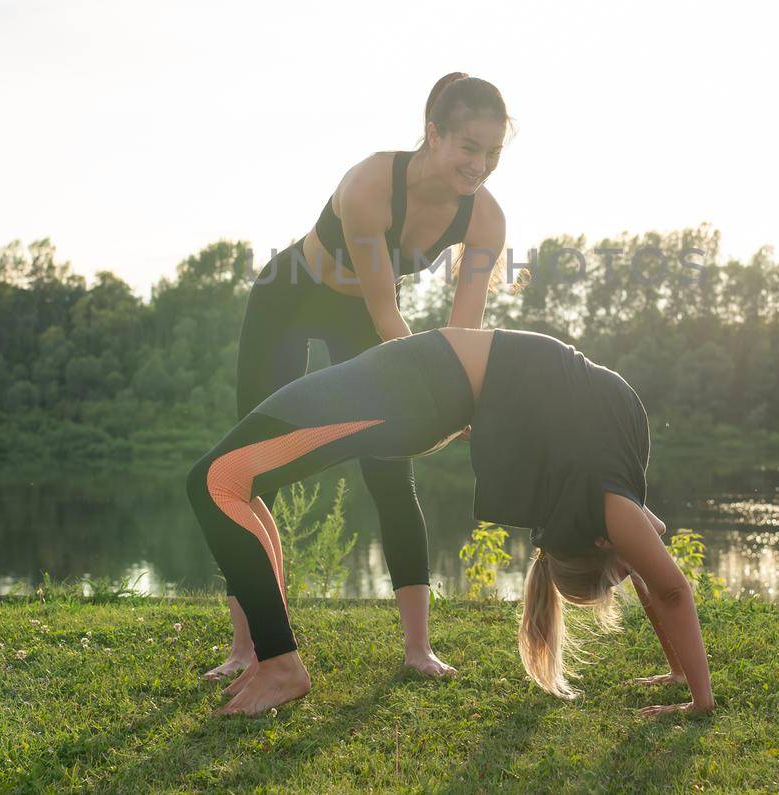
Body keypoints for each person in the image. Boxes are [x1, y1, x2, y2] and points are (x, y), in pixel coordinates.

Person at [185, 327, 717, 719]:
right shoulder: (611, 507)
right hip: (425, 383)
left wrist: (699, 697)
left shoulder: (609, 507)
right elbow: (658, 575)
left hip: (415, 388)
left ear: (600, 543)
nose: (642, 552)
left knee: (216, 481)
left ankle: (279, 664)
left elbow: (663, 584)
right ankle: (270, 656)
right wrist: (683, 680)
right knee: (230, 480)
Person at [207, 74, 510, 682]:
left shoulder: (486, 220)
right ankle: (248, 647)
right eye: (468, 147)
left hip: (362, 313)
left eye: (493, 153)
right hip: (289, 299)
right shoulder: (372, 183)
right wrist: (432, 390)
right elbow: (385, 314)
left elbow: (464, 336)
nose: (480, 165)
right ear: (434, 134)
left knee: (392, 473)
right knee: (248, 468)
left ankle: (419, 650)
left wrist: (464, 402)